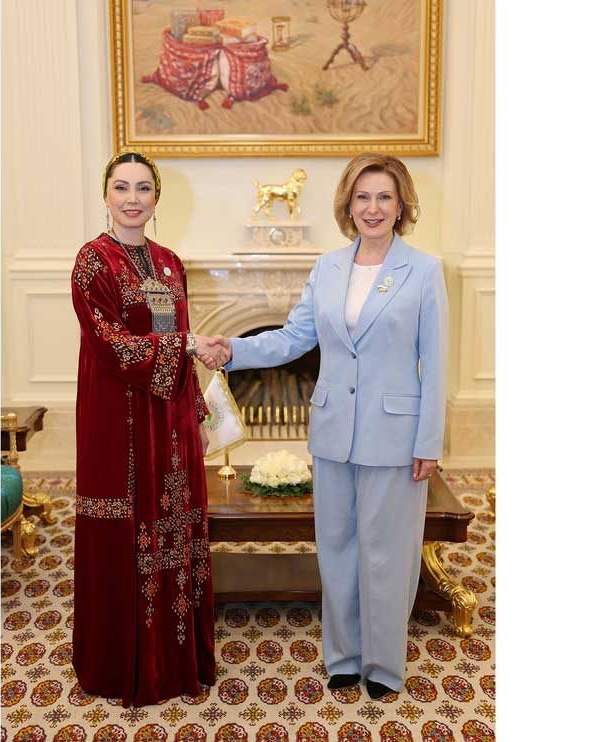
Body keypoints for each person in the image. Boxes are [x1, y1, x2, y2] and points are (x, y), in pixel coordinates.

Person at [202, 153, 447, 699]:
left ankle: (383, 665)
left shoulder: (424, 271)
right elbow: (294, 338)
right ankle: (344, 656)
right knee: (336, 548)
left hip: (395, 436)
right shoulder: (328, 267)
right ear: (348, 204)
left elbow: (435, 362)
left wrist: (429, 439)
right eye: (363, 197)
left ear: (402, 204)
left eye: (384, 197)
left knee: (388, 554)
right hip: (334, 431)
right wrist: (233, 350)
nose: (373, 208)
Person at [69, 151, 221, 706]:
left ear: (157, 198)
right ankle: (122, 665)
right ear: (105, 195)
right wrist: (185, 346)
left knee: (174, 526)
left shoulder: (169, 263)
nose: (132, 198)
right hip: (117, 419)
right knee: (125, 529)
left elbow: (180, 336)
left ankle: (176, 660)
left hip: (169, 421)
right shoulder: (93, 262)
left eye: (143, 188)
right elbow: (111, 345)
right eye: (121, 187)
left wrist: (196, 413)